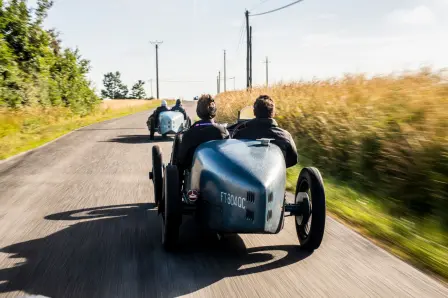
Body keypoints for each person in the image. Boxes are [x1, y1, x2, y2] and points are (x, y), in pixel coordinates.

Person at [233, 95, 298, 168]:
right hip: (275, 176)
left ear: (254, 112)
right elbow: (293, 160)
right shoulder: (286, 136)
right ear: (273, 112)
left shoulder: (241, 134)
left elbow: (235, 156)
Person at [176, 94, 229, 172]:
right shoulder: (223, 131)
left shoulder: (189, 134)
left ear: (198, 111)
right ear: (214, 110)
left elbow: (181, 162)